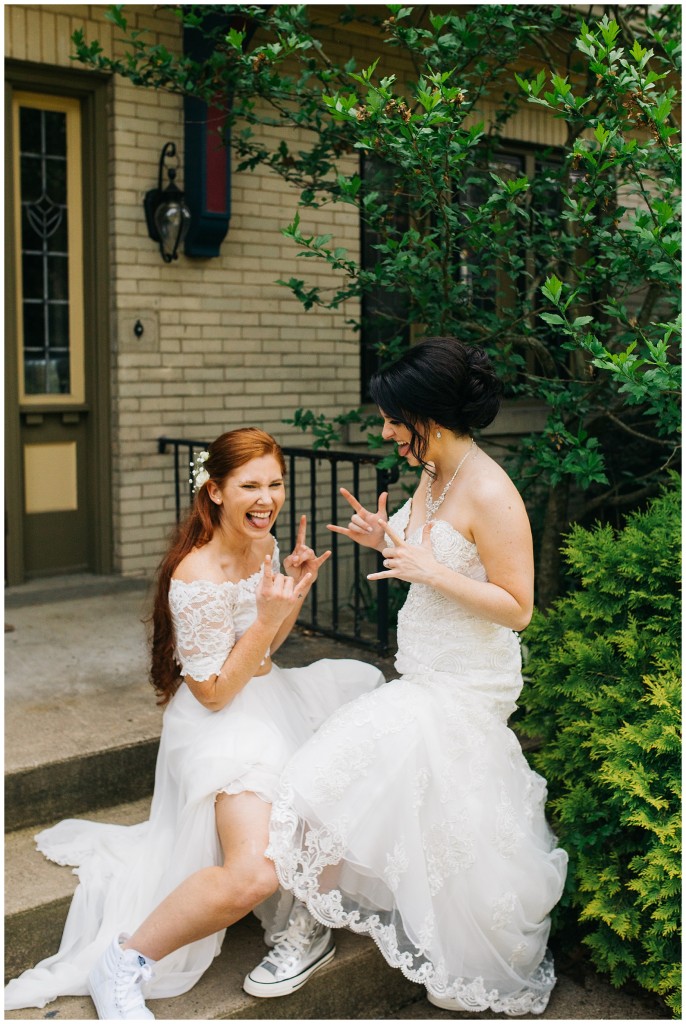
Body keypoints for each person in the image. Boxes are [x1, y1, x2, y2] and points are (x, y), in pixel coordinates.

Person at [5, 427, 384, 1019]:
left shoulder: (265, 544)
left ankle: (311, 920)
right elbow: (211, 694)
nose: (267, 499)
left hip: (266, 697)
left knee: (367, 708)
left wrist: (292, 594)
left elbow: (262, 655)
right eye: (250, 486)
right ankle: (122, 964)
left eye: (275, 484)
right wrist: (267, 619)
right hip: (219, 726)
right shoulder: (195, 574)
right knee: (255, 873)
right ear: (214, 491)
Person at [266, 338, 569, 1016]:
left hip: (464, 684)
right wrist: (387, 539)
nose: (385, 431)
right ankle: (314, 922)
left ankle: (310, 926)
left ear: (429, 413)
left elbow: (519, 607)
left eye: (393, 417)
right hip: (421, 672)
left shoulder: (492, 491)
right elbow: (428, 552)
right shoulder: (433, 473)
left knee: (322, 778)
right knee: (363, 784)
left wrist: (428, 570)